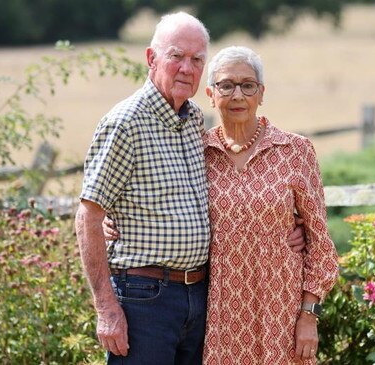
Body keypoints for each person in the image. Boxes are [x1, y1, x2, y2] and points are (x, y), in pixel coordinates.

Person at [75, 12, 305, 365]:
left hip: (200, 296)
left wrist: (286, 229)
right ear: (152, 59)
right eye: (176, 56)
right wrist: (106, 308)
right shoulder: (125, 123)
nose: (187, 67)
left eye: (197, 59)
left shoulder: (194, 119)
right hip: (145, 297)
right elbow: (89, 214)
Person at [200, 46, 338, 364]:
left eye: (248, 85)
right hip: (217, 318)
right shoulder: (196, 153)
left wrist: (309, 316)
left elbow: (320, 246)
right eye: (226, 85)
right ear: (210, 93)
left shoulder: (295, 150)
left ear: (261, 94)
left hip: (283, 314)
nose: (238, 95)